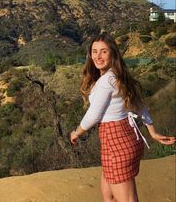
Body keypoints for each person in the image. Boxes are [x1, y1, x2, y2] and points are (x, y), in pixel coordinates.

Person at [70, 32, 175, 202]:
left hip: (116, 142)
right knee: (109, 195)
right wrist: (153, 132)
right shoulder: (116, 77)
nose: (98, 56)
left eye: (103, 51)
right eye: (94, 51)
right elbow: (140, 105)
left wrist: (77, 132)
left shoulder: (107, 81)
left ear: (113, 53)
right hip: (123, 139)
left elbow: (94, 114)